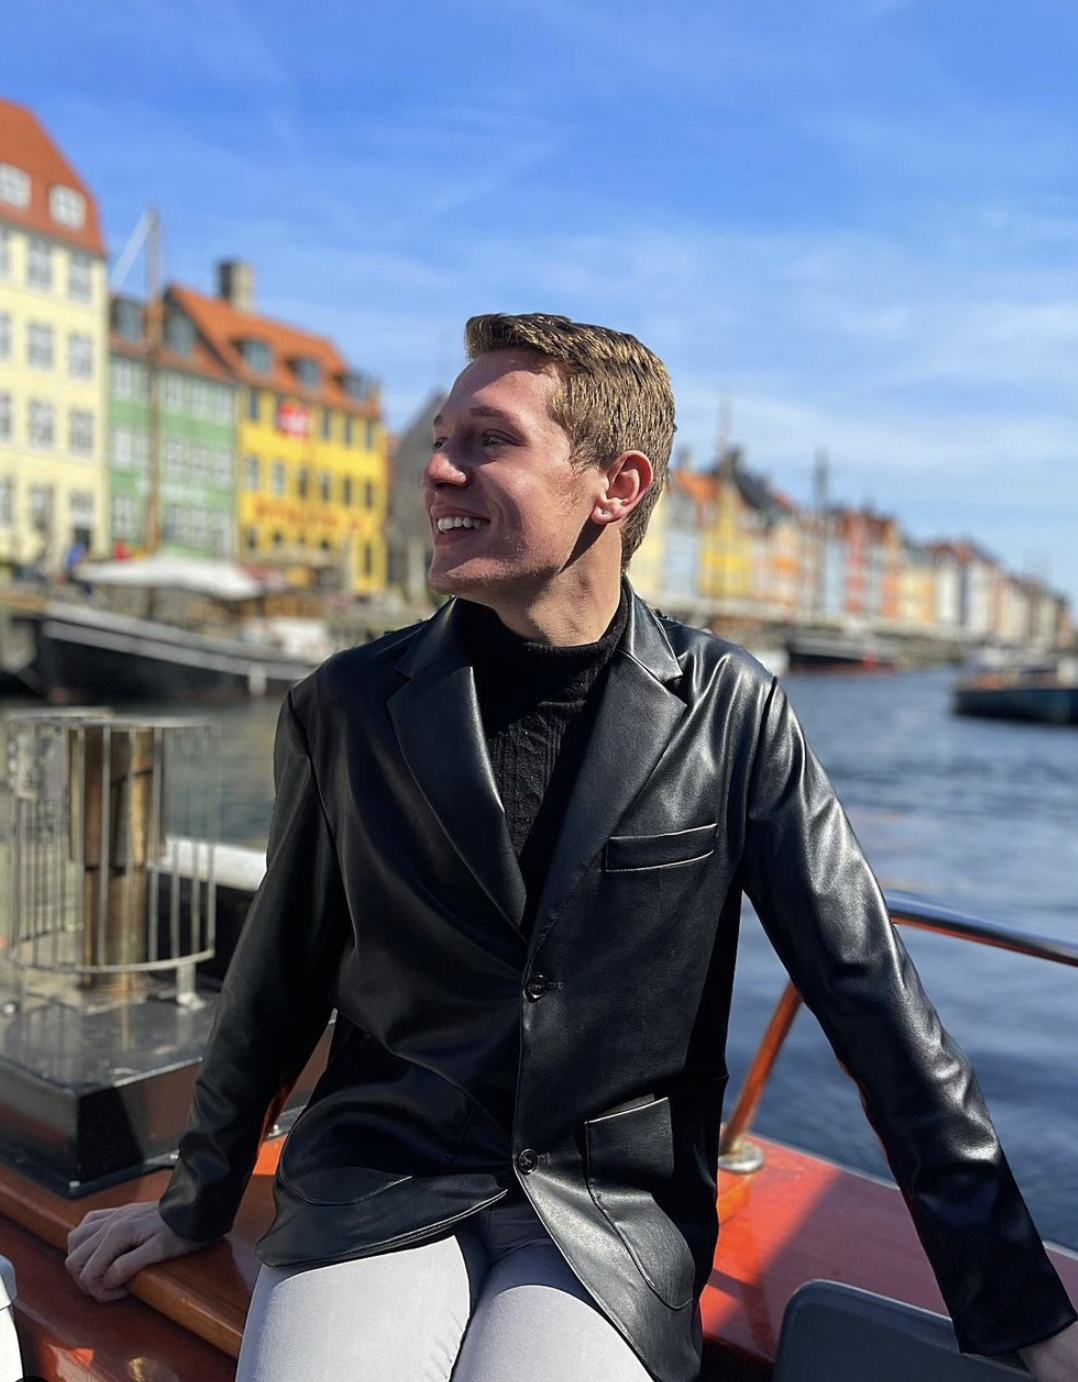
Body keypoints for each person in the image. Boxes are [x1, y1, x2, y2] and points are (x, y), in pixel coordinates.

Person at [67, 314, 1077, 1382]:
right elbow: (276, 979)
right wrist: (195, 1197)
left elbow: (870, 997)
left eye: (488, 441)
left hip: (613, 1210)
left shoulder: (727, 710)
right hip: (381, 1171)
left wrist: (1018, 1300)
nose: (437, 470)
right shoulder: (350, 704)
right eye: (442, 439)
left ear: (616, 485)